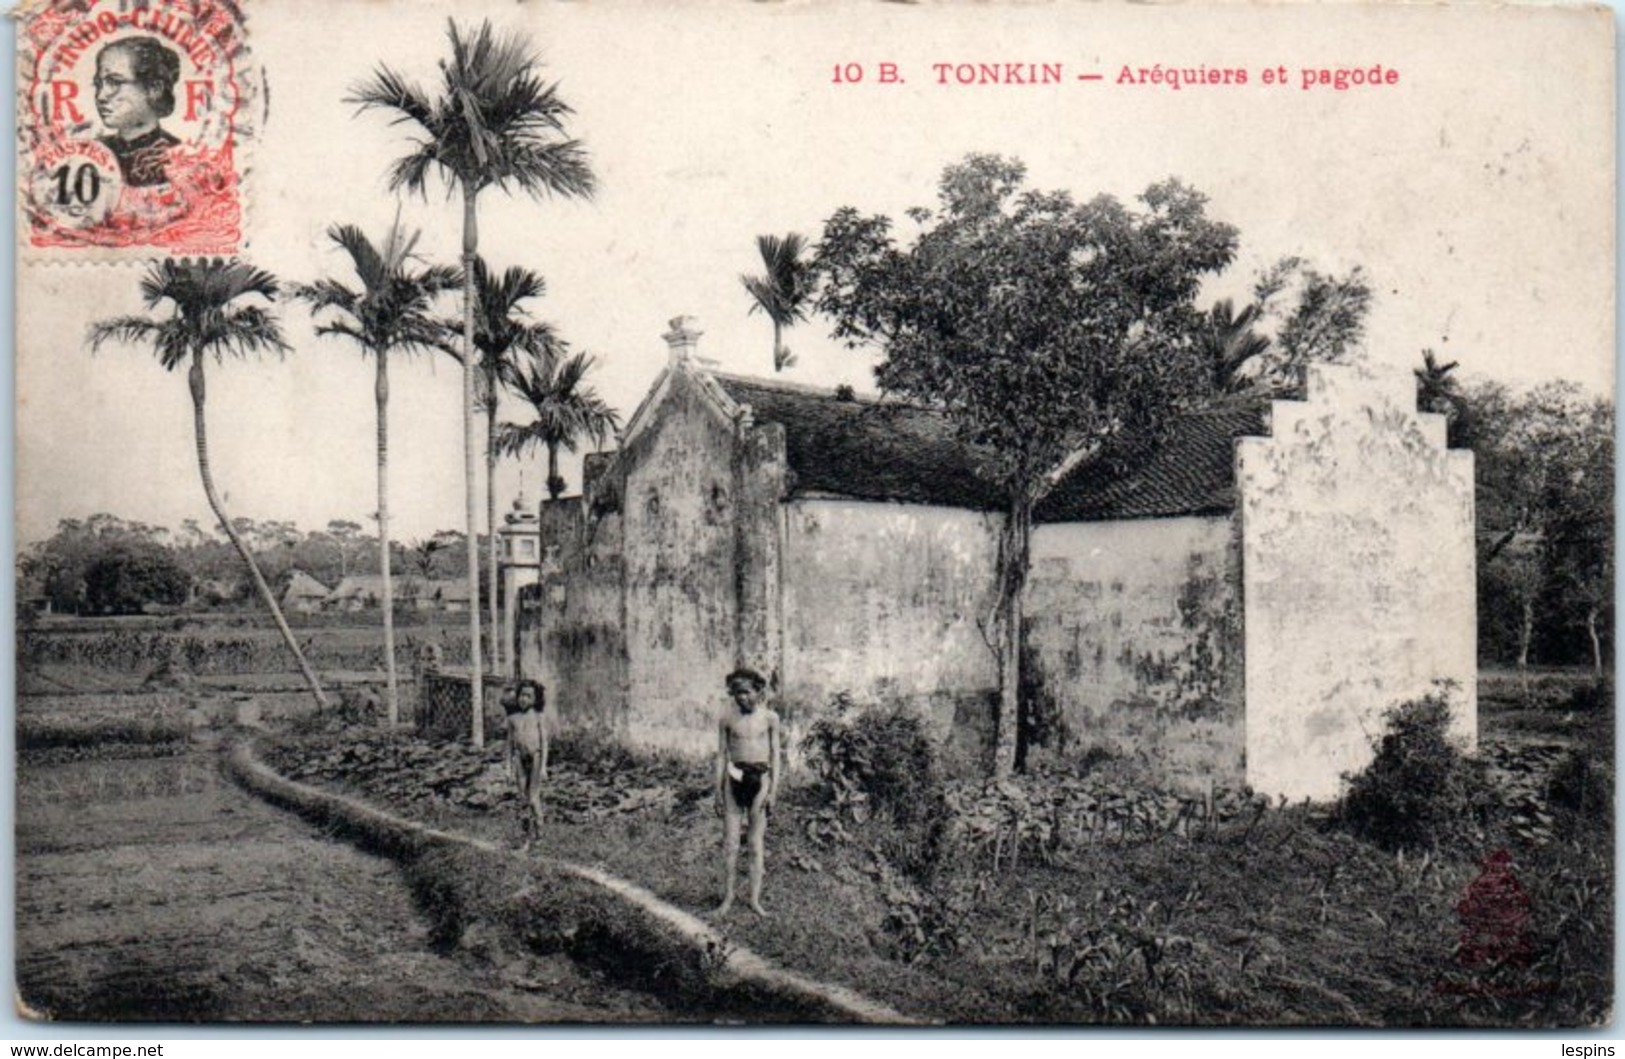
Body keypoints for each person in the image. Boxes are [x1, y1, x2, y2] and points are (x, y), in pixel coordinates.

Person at [714, 667, 781, 917]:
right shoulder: (727, 719)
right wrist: (717, 790)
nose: (741, 698)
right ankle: (728, 898)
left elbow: (776, 755)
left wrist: (773, 791)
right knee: (731, 843)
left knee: (755, 844)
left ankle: (754, 900)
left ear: (759, 691)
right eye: (736, 694)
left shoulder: (770, 718)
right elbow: (721, 755)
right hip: (734, 781)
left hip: (760, 782)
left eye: (746, 692)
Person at [93, 37, 182, 187]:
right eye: (98, 84)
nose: (101, 96)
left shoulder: (180, 156)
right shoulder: (92, 153)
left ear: (154, 89)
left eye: (115, 82)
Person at [504, 679, 548, 849]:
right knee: (522, 798)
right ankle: (525, 837)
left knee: (533, 798)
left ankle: (540, 835)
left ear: (535, 699)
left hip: (535, 758)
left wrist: (543, 767)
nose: (524, 699)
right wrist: (507, 767)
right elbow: (509, 744)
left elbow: (544, 743)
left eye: (528, 696)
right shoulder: (512, 718)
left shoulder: (539, 717)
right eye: (521, 695)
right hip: (519, 760)